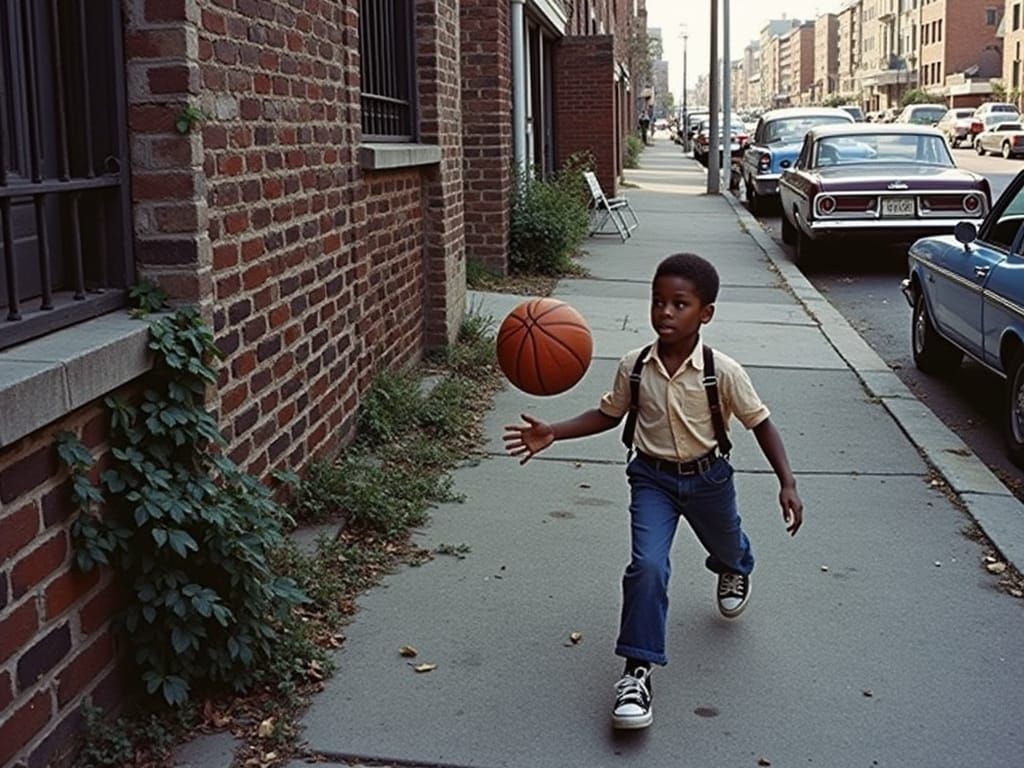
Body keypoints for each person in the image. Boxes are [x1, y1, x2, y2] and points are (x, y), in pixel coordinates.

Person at [503, 253, 804, 730]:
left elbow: (761, 423)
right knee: (647, 565)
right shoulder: (634, 367)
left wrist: (786, 482)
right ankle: (637, 671)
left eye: (679, 304)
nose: (665, 312)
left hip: (709, 479)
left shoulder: (721, 371)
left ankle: (735, 566)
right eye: (658, 301)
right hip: (652, 479)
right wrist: (554, 432)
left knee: (727, 545)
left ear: (705, 313)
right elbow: (608, 414)